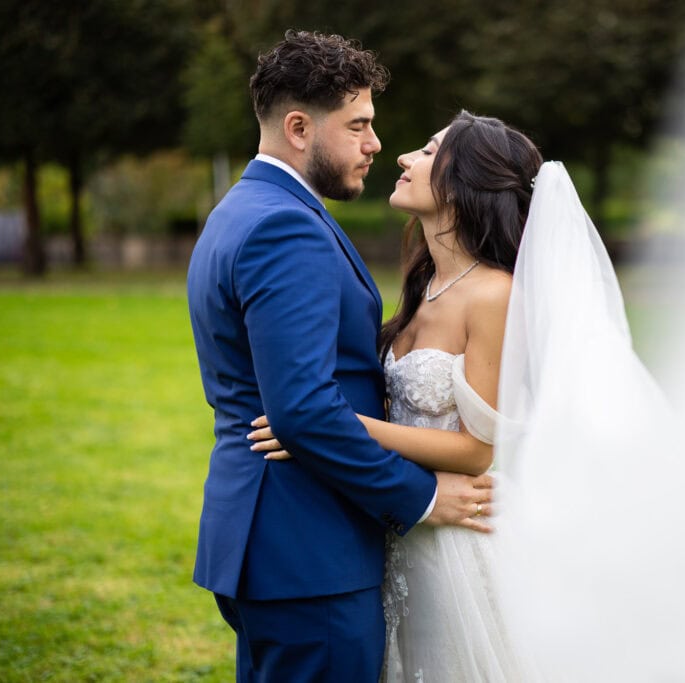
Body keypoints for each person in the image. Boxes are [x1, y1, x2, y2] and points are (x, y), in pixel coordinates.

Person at [186, 31, 493, 682]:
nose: (376, 144)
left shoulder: (242, 209)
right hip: (307, 549)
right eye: (358, 125)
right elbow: (301, 411)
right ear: (299, 127)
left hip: (274, 539)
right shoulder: (283, 226)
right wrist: (423, 497)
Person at [249, 110, 544, 681]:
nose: (403, 157)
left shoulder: (495, 295)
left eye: (429, 151)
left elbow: (476, 451)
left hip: (456, 543)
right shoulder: (424, 282)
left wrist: (323, 426)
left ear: (468, 182)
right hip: (395, 533)